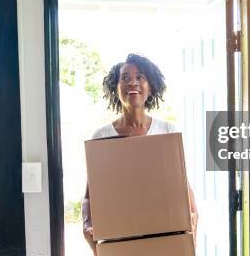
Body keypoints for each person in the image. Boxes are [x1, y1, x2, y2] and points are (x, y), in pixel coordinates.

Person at [82, 53, 198, 255]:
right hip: (119, 241)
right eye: (125, 78)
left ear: (150, 87)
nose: (132, 83)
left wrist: (191, 235)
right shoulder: (101, 136)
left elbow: (183, 191)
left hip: (164, 240)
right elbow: (89, 196)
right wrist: (87, 226)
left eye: (140, 77)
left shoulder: (167, 132)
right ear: (115, 88)